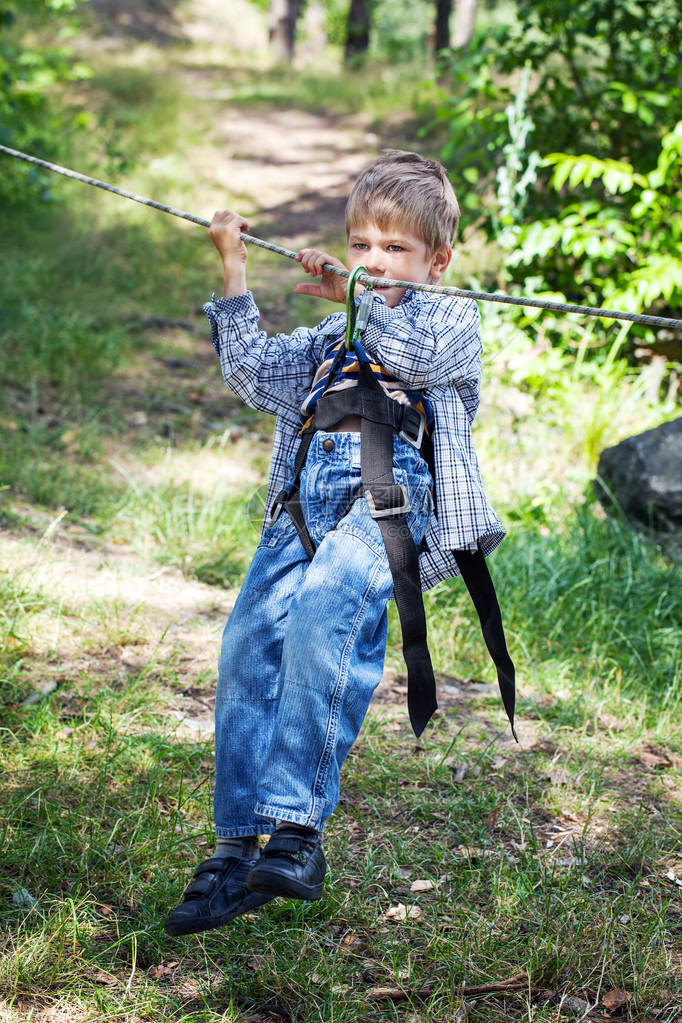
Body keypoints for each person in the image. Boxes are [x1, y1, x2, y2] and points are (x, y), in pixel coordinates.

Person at [164, 150, 507, 937]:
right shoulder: (328, 333)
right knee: (247, 646)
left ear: (437, 260)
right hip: (302, 500)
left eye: (395, 250)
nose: (374, 262)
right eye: (362, 246)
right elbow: (254, 374)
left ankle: (295, 829)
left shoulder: (451, 320)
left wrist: (357, 304)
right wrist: (234, 265)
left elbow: (414, 359)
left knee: (326, 608)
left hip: (389, 496)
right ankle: (234, 853)